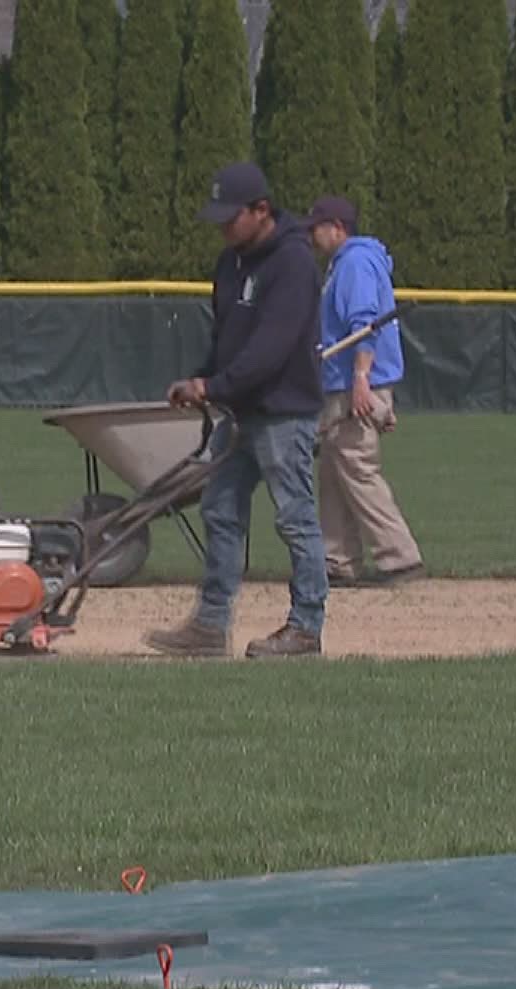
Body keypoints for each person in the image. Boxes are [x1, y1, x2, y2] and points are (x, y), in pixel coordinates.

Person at [143, 161, 328, 658]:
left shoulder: (292, 264)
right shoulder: (231, 263)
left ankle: (306, 627)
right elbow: (227, 339)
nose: (223, 227)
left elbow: (271, 349)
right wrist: (200, 379)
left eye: (231, 217)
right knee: (219, 509)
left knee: (295, 518)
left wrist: (214, 385)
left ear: (261, 210)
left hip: (284, 413)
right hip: (240, 412)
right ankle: (210, 625)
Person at [304, 195, 424, 587]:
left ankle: (400, 559)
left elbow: (364, 324)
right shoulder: (347, 263)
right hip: (346, 383)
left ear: (337, 227)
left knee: (357, 468)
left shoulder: (354, 262)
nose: (311, 235)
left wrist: (361, 381)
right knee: (334, 473)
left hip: (352, 383)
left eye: (316, 227)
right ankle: (337, 561)